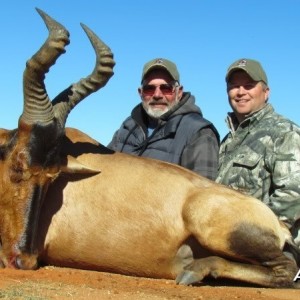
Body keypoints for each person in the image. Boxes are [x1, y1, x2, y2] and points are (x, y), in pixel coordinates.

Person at [216, 58, 300, 246]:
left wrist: (251, 237)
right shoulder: (229, 140)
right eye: (234, 86)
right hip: (226, 242)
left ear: (266, 92)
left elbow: (293, 196)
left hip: (268, 250)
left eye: (249, 86)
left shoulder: (285, 133)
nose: (240, 92)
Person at [108, 58, 220, 180]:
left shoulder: (199, 132)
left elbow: (202, 193)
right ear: (140, 93)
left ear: (179, 92)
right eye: (149, 89)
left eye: (166, 88)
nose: (157, 95)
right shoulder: (127, 127)